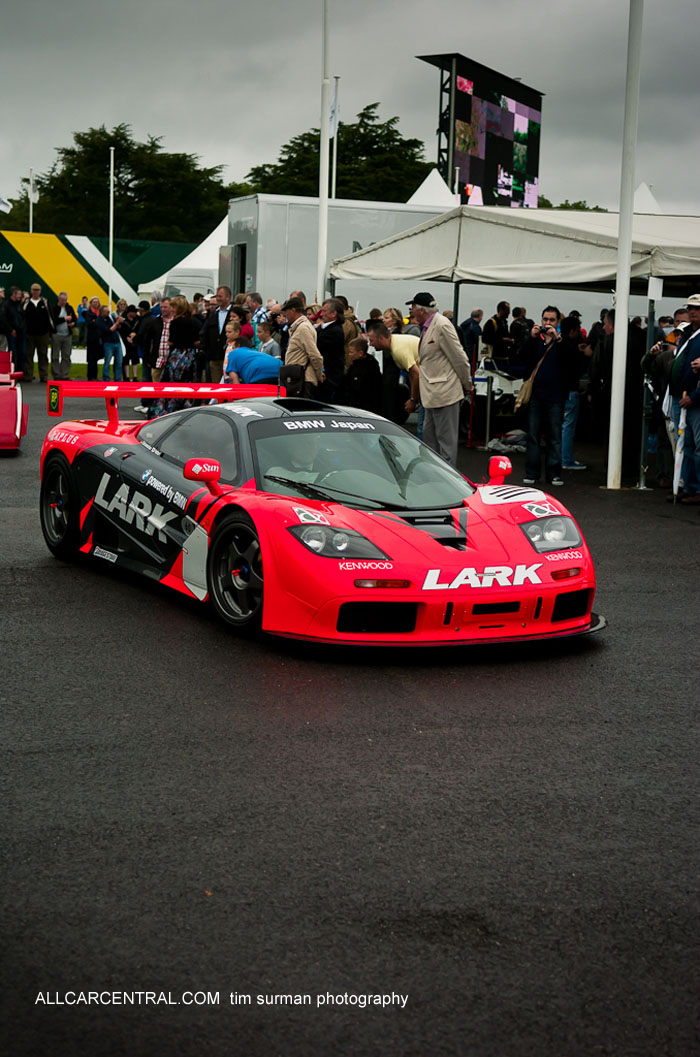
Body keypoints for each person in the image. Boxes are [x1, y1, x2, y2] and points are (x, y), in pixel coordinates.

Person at [407, 292, 472, 467]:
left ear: (421, 310)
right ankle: (435, 479)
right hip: (432, 394)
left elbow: (459, 358)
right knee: (431, 443)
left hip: (445, 393)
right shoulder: (429, 326)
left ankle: (450, 483)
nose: (411, 311)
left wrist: (467, 384)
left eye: (412, 307)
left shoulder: (442, 325)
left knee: (446, 445)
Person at [657, 293, 700, 502]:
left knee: (696, 446)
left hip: (693, 398)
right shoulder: (685, 334)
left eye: (697, 309)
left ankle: (696, 489)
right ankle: (687, 485)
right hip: (678, 396)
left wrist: (694, 396)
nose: (693, 312)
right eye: (691, 308)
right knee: (684, 445)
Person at [522, 306, 568, 486]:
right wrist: (531, 338)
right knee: (533, 435)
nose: (548, 323)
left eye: (552, 320)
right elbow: (521, 357)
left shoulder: (561, 343)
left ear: (557, 323)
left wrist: (558, 339)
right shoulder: (535, 341)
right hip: (536, 395)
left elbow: (571, 361)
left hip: (555, 396)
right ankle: (532, 473)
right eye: (545, 320)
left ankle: (554, 473)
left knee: (554, 436)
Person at [366, 320, 420, 417]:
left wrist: (413, 400)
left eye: (371, 340)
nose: (370, 344)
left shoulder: (398, 350)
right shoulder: (395, 341)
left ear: (381, 338)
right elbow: (412, 374)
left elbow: (416, 374)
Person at [559, 315, 591, 470]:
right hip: (571, 390)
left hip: (559, 390)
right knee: (568, 426)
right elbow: (577, 368)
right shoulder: (572, 348)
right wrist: (585, 356)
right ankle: (566, 459)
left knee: (559, 425)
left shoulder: (560, 344)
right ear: (573, 331)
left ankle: (559, 457)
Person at [281, 297, 324, 398]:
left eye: (286, 311)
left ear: (293, 310)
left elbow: (314, 355)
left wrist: (318, 375)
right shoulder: (299, 327)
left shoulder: (303, 328)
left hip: (302, 380)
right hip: (296, 378)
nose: (285, 315)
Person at [339, 336, 382, 414]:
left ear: (360, 353)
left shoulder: (370, 368)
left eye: (351, 352)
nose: (349, 354)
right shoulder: (354, 366)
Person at [201, 285, 233, 383]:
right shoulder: (213, 313)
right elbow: (204, 332)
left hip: (229, 357)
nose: (218, 299)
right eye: (217, 296)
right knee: (216, 385)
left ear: (228, 297)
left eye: (220, 296)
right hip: (214, 356)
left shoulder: (234, 312)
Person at [23, 282, 54, 382]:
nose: (35, 292)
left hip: (43, 333)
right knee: (28, 355)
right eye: (34, 290)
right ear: (31, 291)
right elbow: (22, 317)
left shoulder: (45, 302)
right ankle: (28, 375)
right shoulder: (26, 302)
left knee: (43, 355)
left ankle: (44, 376)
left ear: (40, 291)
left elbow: (50, 317)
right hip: (29, 333)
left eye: (37, 290)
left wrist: (51, 330)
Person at [316, 298, 346, 401]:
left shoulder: (335, 331)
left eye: (324, 311)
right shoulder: (324, 328)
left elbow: (317, 345)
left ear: (334, 314)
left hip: (329, 378)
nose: (321, 314)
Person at [83, 296, 104, 381]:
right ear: (91, 303)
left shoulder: (100, 313)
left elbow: (99, 323)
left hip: (99, 338)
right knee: (91, 358)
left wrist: (96, 321)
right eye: (94, 302)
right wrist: (96, 321)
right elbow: (90, 323)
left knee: (96, 357)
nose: (96, 303)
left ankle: (95, 376)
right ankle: (90, 376)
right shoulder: (87, 312)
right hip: (91, 338)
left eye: (97, 302)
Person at [100, 304, 123, 381]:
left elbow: (117, 328)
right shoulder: (100, 320)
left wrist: (118, 322)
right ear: (102, 312)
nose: (108, 313)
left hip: (116, 341)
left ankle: (118, 378)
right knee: (107, 361)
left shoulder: (111, 318)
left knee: (119, 362)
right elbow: (109, 330)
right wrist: (116, 324)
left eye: (109, 311)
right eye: (107, 312)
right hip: (108, 342)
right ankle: (106, 378)